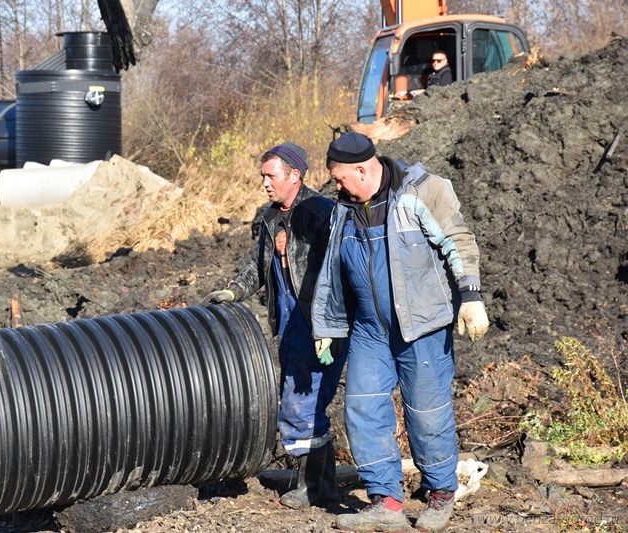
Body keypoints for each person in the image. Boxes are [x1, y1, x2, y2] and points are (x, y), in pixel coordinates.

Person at [311, 132, 489, 532]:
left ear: (363, 168)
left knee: (427, 416)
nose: (335, 187)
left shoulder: (422, 191)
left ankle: (441, 494)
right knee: (362, 411)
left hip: (422, 326)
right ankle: (386, 502)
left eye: (340, 178)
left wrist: (471, 296)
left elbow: (458, 240)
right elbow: (331, 271)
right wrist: (327, 324)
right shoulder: (343, 209)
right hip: (370, 331)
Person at [201, 141, 346, 510]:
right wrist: (234, 291)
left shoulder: (321, 212)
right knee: (299, 401)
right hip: (287, 319)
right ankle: (315, 484)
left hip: (315, 321)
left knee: (302, 402)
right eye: (262, 176)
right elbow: (258, 266)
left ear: (294, 176)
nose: (265, 183)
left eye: (271, 176)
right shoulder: (270, 216)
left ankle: (316, 486)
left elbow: (336, 272)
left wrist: (326, 326)